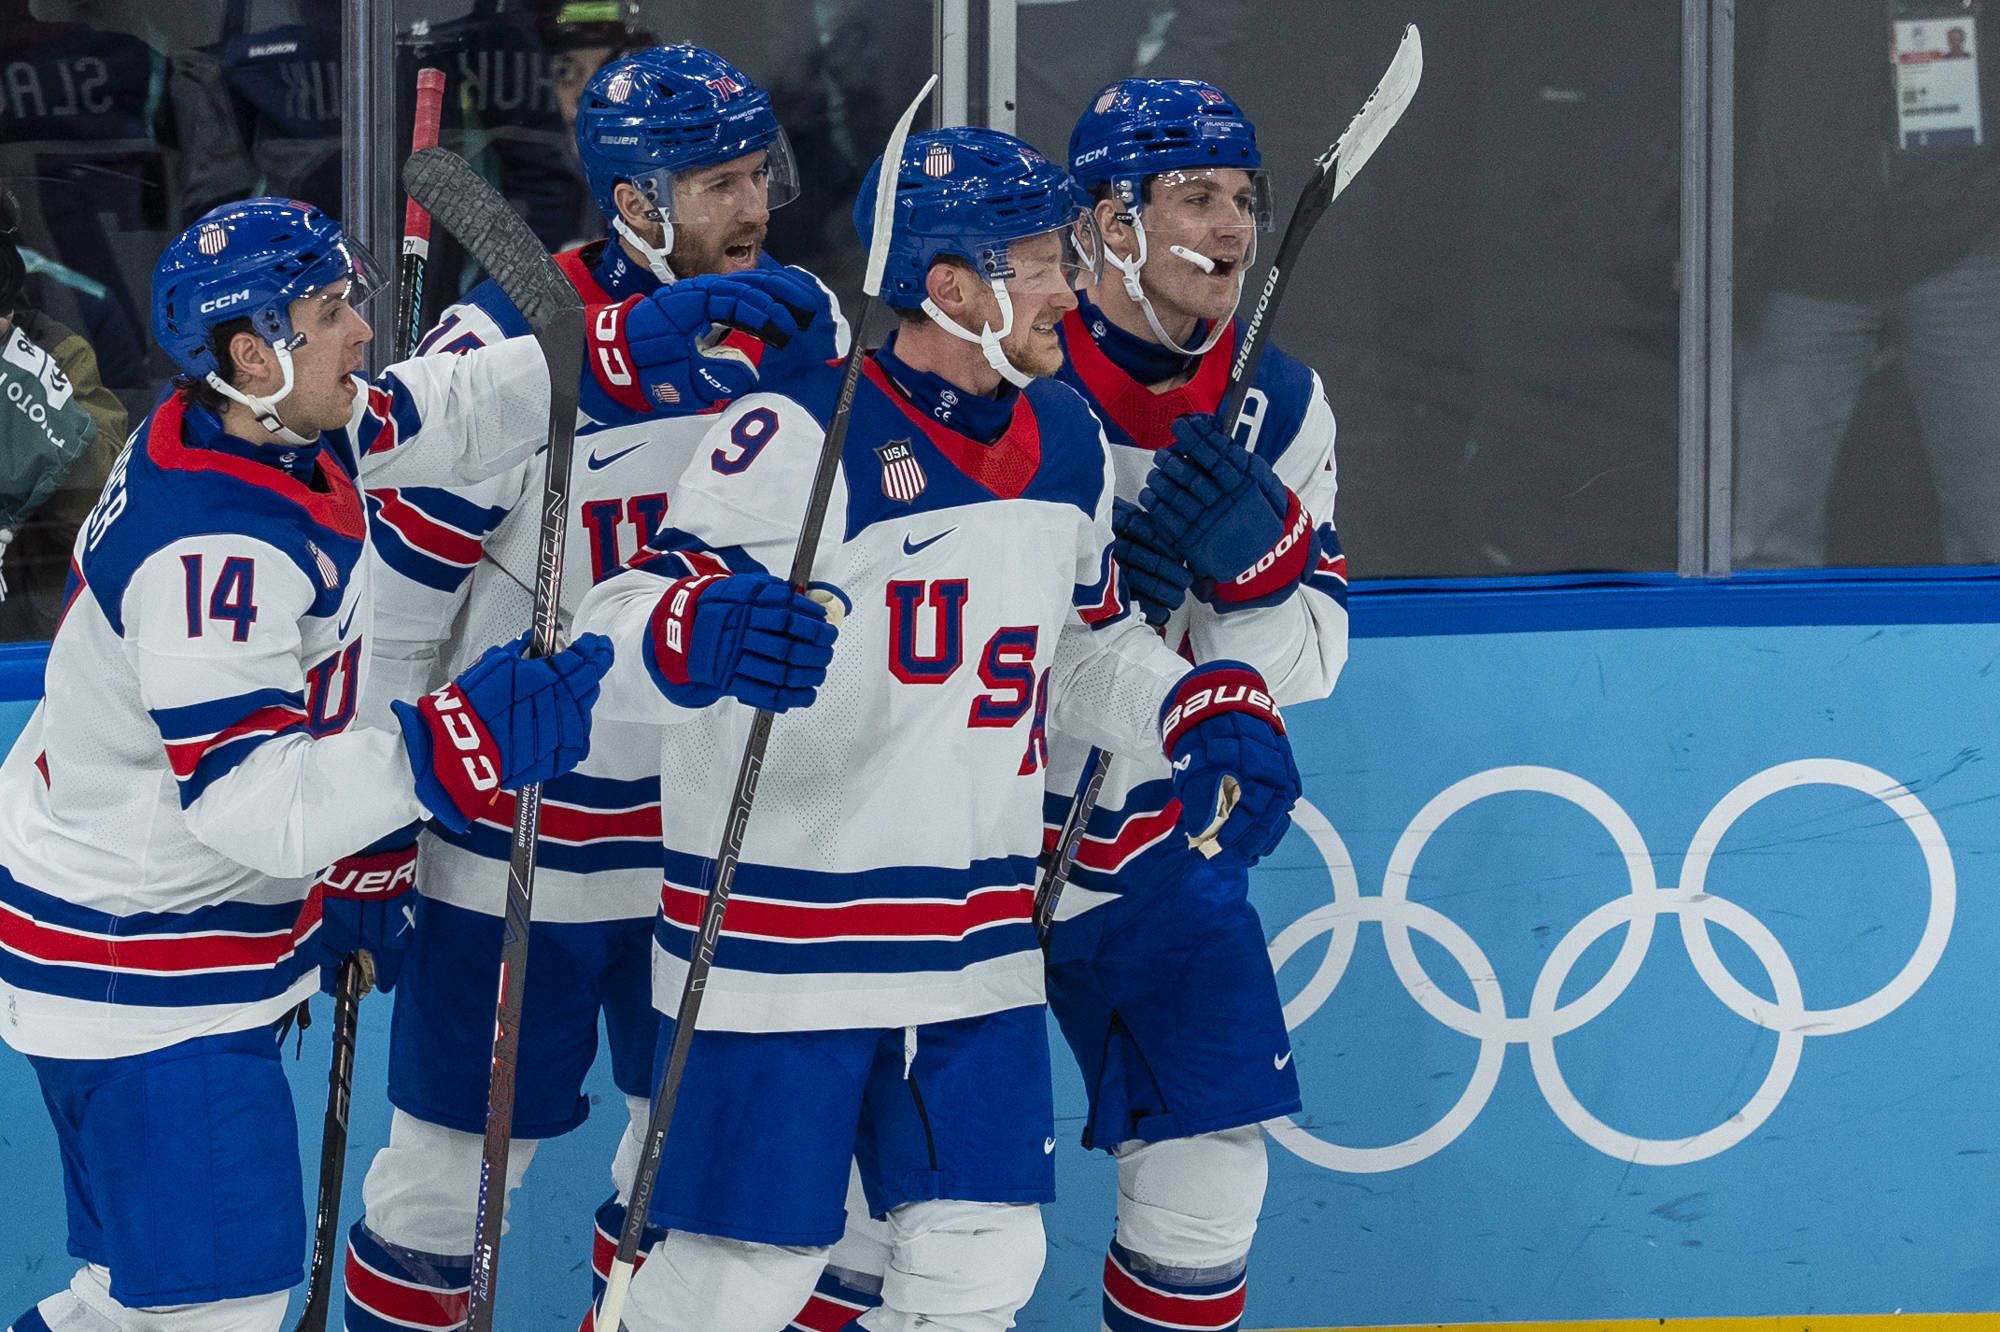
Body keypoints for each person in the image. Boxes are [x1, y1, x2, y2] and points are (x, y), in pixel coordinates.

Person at [0, 190, 814, 1332]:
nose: (361, 334)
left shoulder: (252, 422)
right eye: (330, 311)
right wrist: (449, 745)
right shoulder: (214, 553)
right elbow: (251, 806)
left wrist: (619, 348)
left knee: (129, 1301)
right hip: (142, 965)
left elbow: (443, 408)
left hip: (120, 940)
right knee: (207, 1310)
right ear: (251, 350)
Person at [573, 125, 1304, 1332]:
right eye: (1037, 263)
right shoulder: (794, 436)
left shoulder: (1060, 439)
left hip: (968, 936)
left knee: (982, 1260)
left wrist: (1194, 703)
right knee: (739, 1279)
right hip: (778, 944)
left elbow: (1080, 649)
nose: (1068, 290)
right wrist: (697, 636)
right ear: (949, 286)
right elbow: (614, 630)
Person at [792, 80, 1347, 1332]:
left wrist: (1252, 576)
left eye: (1245, 199)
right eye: (1193, 196)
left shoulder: (1282, 407)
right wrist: (1081, 616)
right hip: (966, 844)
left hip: (1158, 849)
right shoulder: (1015, 374)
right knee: (892, 1226)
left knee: (1209, 1181)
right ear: (1101, 223)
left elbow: (1306, 662)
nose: (1232, 227)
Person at [337, 44, 843, 1332]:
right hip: (516, 842)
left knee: (686, 1187)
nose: (753, 208)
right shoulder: (500, 344)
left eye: (757, 174)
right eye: (719, 183)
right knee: (446, 1187)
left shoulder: (800, 322)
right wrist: (369, 828)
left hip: (705, 844)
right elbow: (396, 614)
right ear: (631, 203)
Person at [1736, 0, 2000, 566]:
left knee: (1994, 524)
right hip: (1800, 247)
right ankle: (1765, 653)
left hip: (1965, 232)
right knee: (1764, 538)